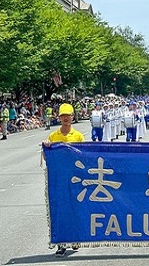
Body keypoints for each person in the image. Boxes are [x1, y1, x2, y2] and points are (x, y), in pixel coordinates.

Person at [42, 103, 84, 257]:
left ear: (73, 117)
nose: (66, 118)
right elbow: (48, 157)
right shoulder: (53, 136)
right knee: (59, 210)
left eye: (68, 115)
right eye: (63, 116)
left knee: (74, 208)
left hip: (75, 178)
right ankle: (61, 243)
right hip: (58, 179)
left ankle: (75, 237)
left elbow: (83, 157)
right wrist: (46, 146)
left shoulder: (78, 136)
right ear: (59, 118)